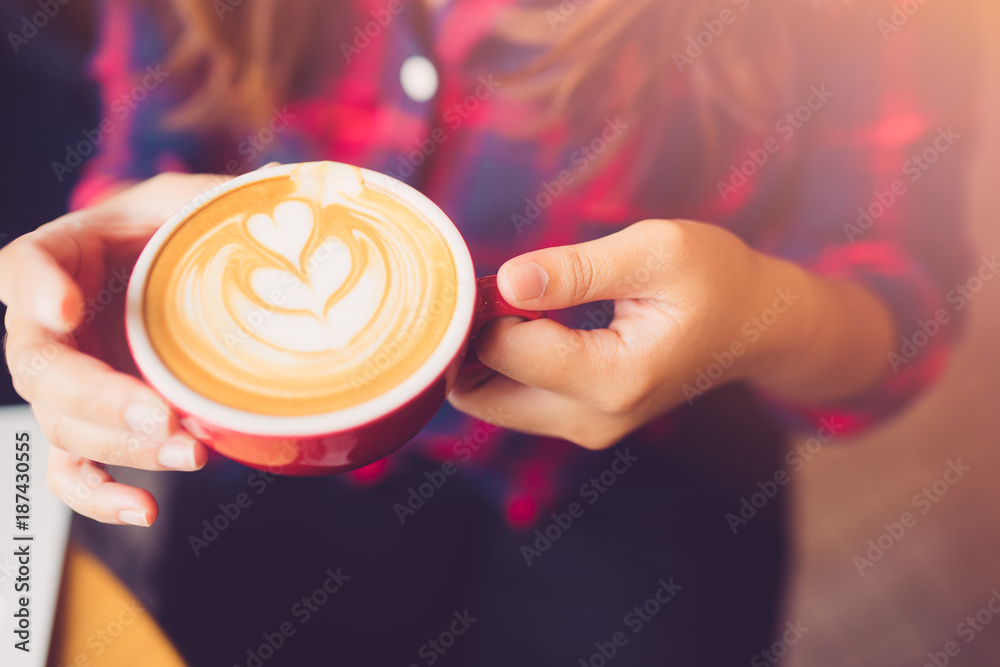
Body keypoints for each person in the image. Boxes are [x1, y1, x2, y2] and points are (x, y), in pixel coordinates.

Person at [0, 0, 979, 664]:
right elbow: (154, 154)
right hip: (286, 466)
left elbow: (900, 301)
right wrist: (99, 295)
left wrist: (764, 314)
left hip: (659, 469)